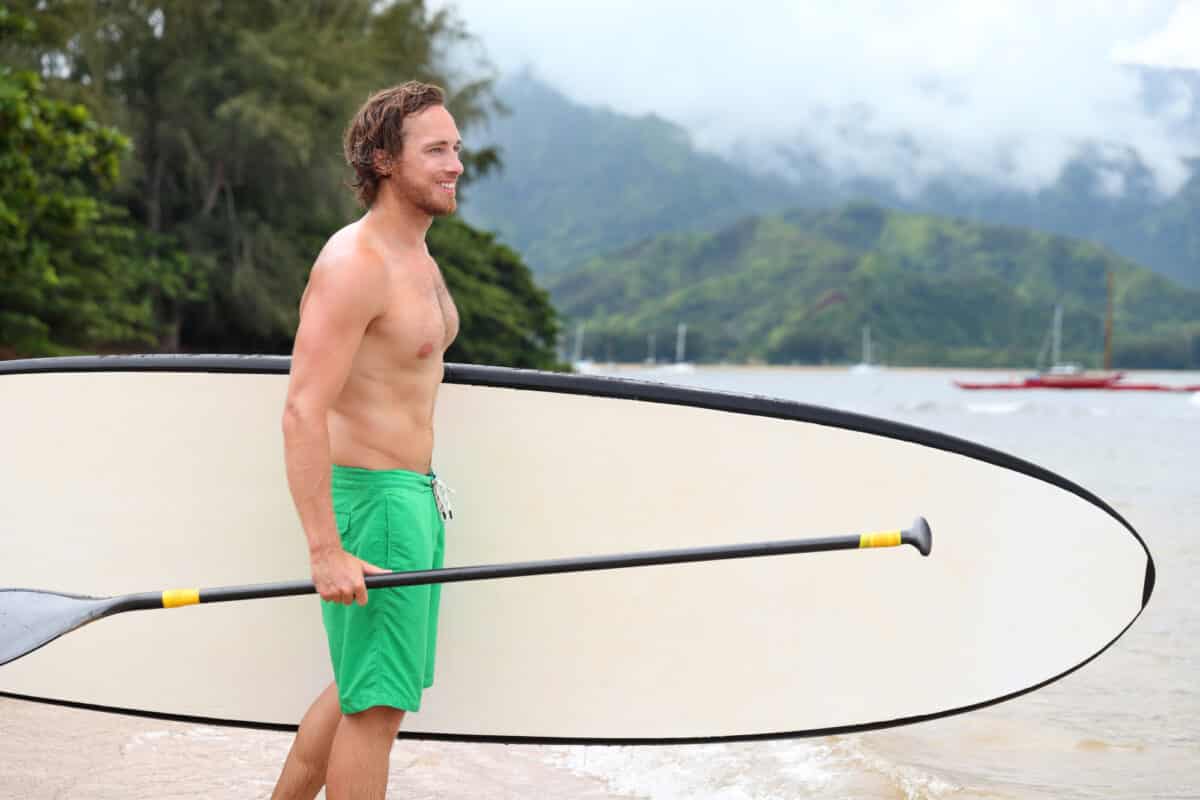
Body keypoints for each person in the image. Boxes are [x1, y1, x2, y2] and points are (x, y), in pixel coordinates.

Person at [272, 81, 461, 800]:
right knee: (376, 708)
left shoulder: (417, 255)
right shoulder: (356, 263)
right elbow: (302, 410)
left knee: (365, 687)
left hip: (412, 500)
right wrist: (324, 548)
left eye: (456, 149)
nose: (455, 166)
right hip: (374, 506)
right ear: (384, 159)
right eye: (436, 150)